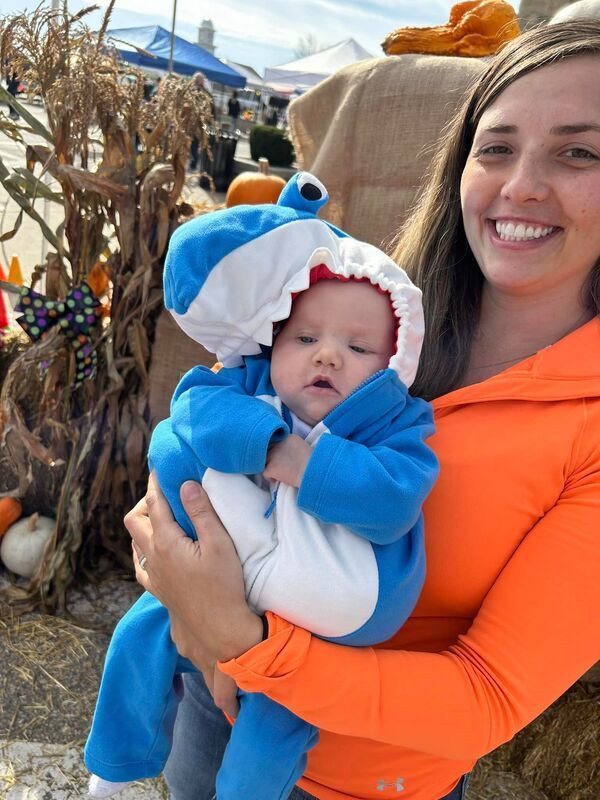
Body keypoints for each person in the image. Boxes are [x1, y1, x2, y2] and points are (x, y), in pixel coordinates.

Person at [125, 21, 600, 800]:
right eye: (497, 147)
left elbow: (487, 699)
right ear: (461, 163)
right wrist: (176, 587)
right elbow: (208, 422)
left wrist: (245, 645)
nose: (520, 187)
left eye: (578, 152)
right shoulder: (369, 302)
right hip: (213, 706)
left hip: (360, 782)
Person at [85, 174, 438, 799]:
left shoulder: (397, 422)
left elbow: (394, 502)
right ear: (273, 340)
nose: (327, 356)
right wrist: (271, 444)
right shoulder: (249, 385)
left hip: (312, 622)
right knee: (140, 635)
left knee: (274, 729)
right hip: (227, 571)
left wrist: (306, 465)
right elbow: (192, 415)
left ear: (393, 365)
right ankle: (113, 768)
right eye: (305, 338)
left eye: (358, 347)